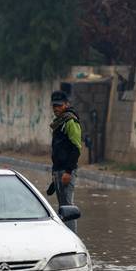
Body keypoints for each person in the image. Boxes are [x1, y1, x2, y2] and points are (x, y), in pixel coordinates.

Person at [50, 90, 82, 233]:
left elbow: (76, 148)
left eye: (59, 105)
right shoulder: (59, 123)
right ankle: (64, 236)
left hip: (66, 171)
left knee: (68, 207)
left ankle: (72, 238)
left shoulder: (70, 121)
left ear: (66, 105)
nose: (56, 108)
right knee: (62, 207)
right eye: (54, 106)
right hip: (58, 171)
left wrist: (68, 171)